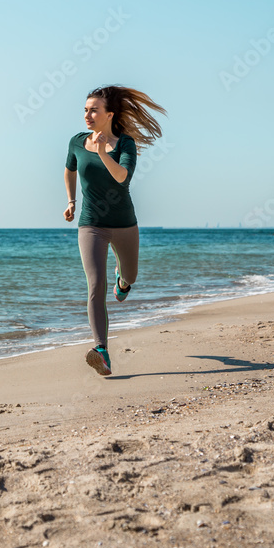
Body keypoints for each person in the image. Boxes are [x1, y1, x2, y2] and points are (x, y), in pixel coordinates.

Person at [64, 85, 166, 376]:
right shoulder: (76, 142)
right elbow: (69, 169)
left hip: (124, 225)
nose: (87, 114)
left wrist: (101, 151)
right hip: (91, 225)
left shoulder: (125, 144)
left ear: (109, 114)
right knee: (95, 286)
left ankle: (123, 284)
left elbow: (122, 177)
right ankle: (101, 350)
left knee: (130, 276)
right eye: (85, 109)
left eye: (93, 109)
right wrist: (71, 200)